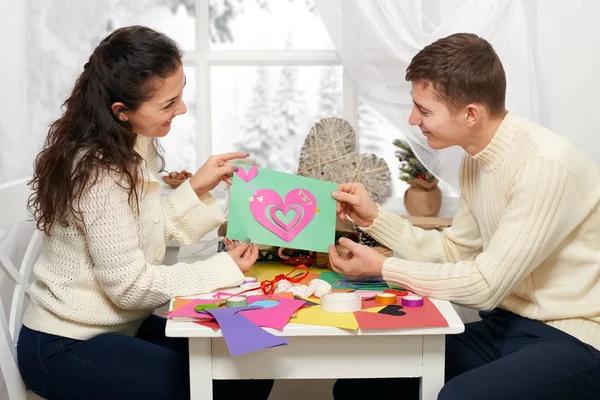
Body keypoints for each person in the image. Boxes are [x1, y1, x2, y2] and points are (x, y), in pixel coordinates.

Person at [329, 33, 600, 399]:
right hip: (508, 325)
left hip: (575, 336)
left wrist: (383, 268)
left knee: (460, 396)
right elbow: (458, 253)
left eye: (424, 111)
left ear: (470, 113)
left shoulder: (543, 166)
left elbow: (486, 286)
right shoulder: (476, 161)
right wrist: (375, 217)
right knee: (365, 386)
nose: (413, 120)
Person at [17, 26, 273, 400]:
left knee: (249, 367)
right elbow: (130, 288)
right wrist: (224, 270)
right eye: (168, 104)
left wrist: (197, 186)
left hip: (118, 329)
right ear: (121, 111)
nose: (181, 109)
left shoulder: (134, 141)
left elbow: (139, 231)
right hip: (63, 345)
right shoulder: (98, 173)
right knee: (223, 384)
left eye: (180, 95)